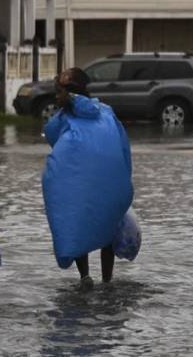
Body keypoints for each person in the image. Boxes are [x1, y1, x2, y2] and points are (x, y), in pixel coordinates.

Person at [42, 67, 134, 287]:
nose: (56, 96)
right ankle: (107, 280)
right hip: (111, 182)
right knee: (109, 226)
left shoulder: (64, 117)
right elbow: (123, 147)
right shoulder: (106, 111)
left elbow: (52, 136)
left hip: (78, 184)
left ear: (68, 94)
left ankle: (85, 277)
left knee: (76, 222)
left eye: (58, 92)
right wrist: (125, 180)